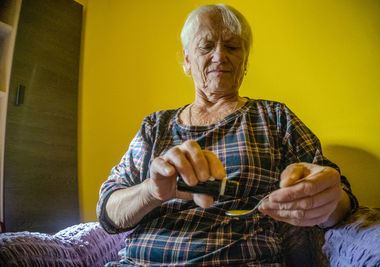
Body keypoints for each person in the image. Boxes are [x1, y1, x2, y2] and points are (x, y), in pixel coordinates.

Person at [97, 4, 358, 266]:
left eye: (232, 47)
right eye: (206, 46)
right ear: (187, 60)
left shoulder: (275, 118)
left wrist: (328, 201)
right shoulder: (155, 126)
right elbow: (108, 214)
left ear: (244, 61)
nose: (220, 56)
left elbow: (339, 198)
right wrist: (151, 191)